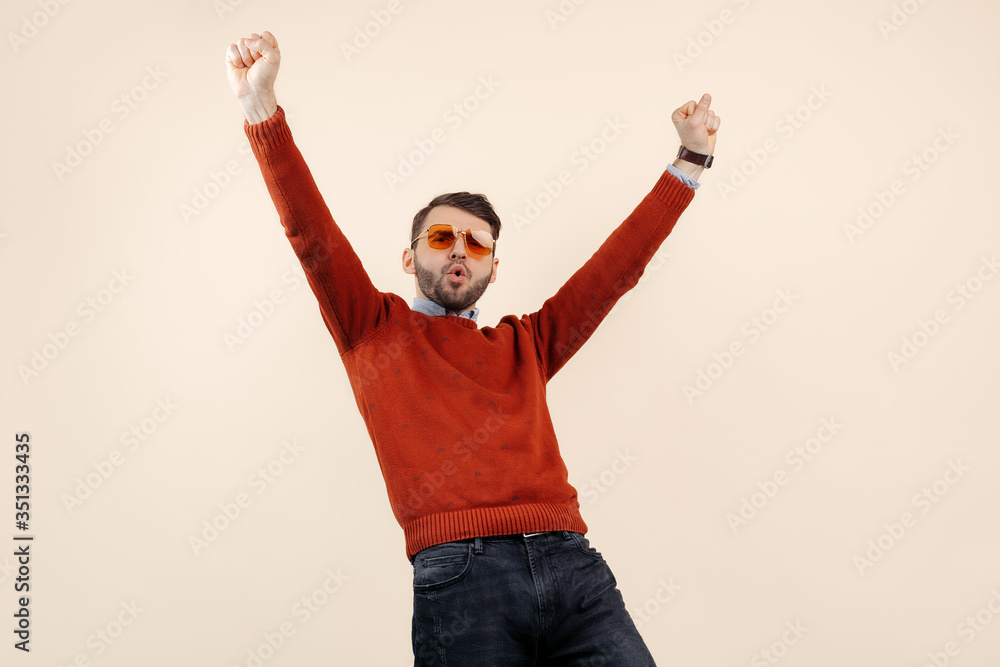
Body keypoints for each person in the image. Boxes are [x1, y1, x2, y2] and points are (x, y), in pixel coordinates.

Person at [226, 30, 720, 666]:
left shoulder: (527, 343)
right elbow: (310, 234)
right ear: (410, 258)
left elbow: (614, 271)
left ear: (492, 267)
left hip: (573, 568)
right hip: (464, 576)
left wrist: (690, 160)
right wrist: (261, 109)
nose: (460, 249)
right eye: (441, 237)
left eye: (477, 243)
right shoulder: (372, 327)